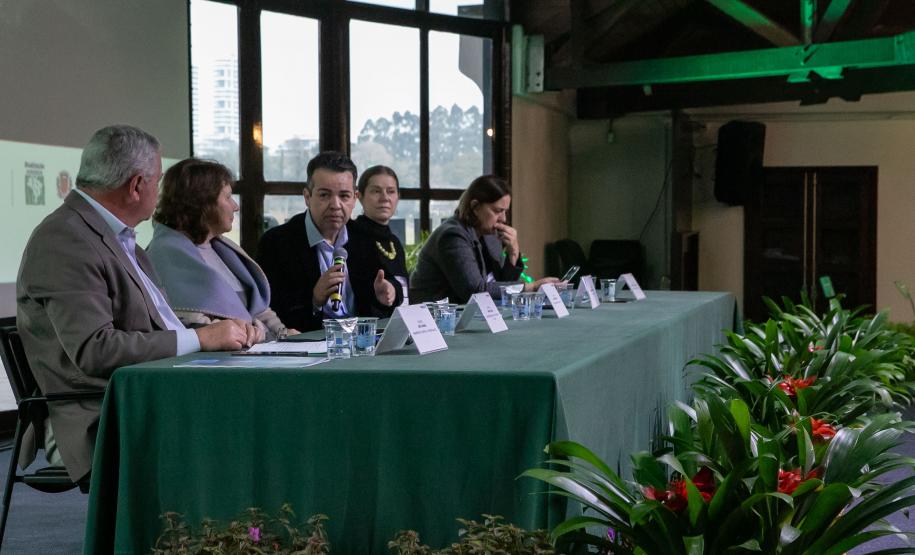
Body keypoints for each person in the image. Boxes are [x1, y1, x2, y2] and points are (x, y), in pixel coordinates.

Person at [16, 125, 256, 483]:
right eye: (157, 181)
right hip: (100, 412)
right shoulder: (64, 240)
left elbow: (156, 330)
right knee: (248, 420)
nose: (159, 193)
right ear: (136, 186)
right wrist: (202, 339)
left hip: (147, 394)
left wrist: (223, 333)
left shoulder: (119, 239)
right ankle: (211, 536)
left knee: (259, 403)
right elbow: (95, 351)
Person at [146, 158, 297, 342]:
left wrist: (284, 334)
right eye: (227, 197)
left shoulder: (221, 247)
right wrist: (260, 334)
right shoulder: (165, 254)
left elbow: (259, 308)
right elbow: (194, 325)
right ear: (202, 202)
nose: (236, 206)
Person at [257, 151, 397, 332]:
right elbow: (270, 311)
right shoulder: (277, 243)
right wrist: (314, 300)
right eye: (324, 195)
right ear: (307, 197)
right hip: (307, 347)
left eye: (344, 196)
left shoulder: (365, 238)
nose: (335, 205)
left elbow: (385, 296)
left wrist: (385, 295)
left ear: (355, 199)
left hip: (360, 345)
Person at [410, 175, 558, 304]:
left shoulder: (488, 234)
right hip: (433, 319)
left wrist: (513, 254)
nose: (504, 219)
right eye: (497, 211)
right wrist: (531, 287)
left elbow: (500, 285)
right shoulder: (452, 236)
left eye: (505, 211)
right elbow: (475, 291)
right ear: (475, 206)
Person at [347, 165, 408, 313]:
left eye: (391, 191)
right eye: (376, 191)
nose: (385, 198)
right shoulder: (351, 237)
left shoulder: (394, 242)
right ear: (359, 196)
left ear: (398, 197)